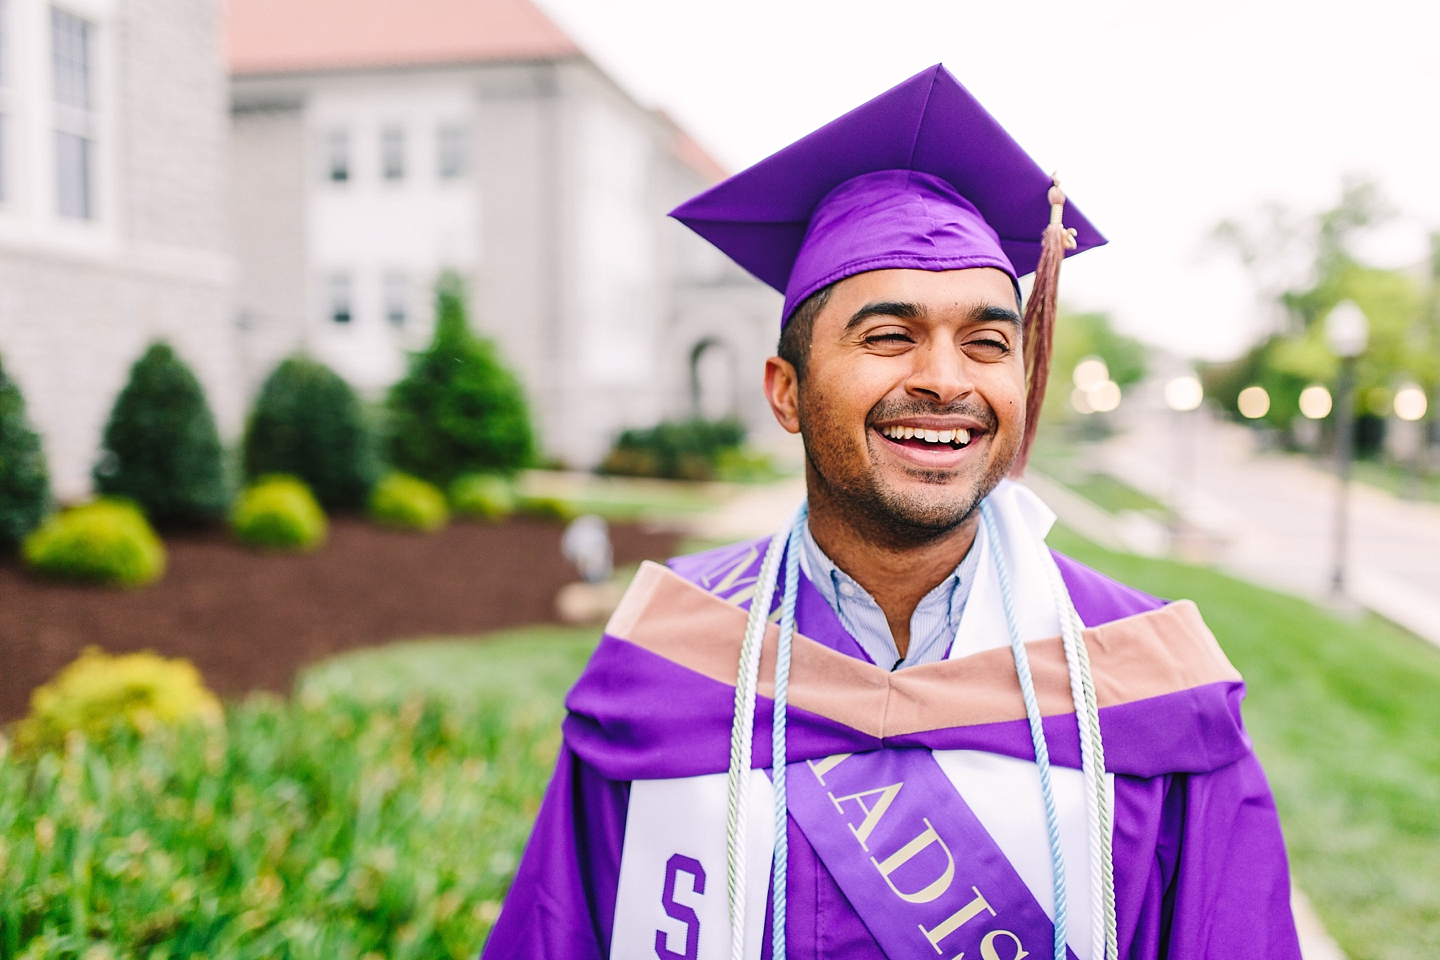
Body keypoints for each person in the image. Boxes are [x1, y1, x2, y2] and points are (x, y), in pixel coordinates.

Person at [482, 64, 1301, 960]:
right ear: (786, 393)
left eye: (989, 343)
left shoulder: (1149, 681)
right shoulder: (670, 655)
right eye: (889, 336)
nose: (947, 380)